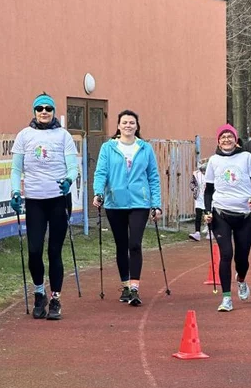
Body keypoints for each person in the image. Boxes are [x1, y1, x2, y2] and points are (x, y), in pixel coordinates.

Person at [10, 93, 79, 321]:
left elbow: (72, 167)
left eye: (48, 108)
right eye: (39, 108)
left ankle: (56, 298)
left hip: (58, 199)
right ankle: (40, 293)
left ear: (53, 111)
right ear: (34, 111)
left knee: (54, 251)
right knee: (34, 250)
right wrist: (15, 191)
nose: (44, 111)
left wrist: (69, 180)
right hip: (35, 200)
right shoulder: (24, 135)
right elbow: (16, 169)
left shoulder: (63, 136)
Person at [92, 110, 162, 306]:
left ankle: (134, 287)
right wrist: (98, 193)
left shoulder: (145, 148)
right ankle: (124, 285)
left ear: (137, 126)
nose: (128, 125)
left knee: (135, 244)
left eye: (132, 122)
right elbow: (101, 173)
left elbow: (153, 177)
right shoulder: (108, 148)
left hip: (140, 202)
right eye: (125, 122)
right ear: (119, 125)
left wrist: (156, 204)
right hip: (115, 202)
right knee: (121, 245)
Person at [204, 124, 251, 312]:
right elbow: (209, 190)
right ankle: (226, 297)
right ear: (218, 141)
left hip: (243, 214)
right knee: (226, 254)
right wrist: (207, 211)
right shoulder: (213, 161)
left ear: (236, 140)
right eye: (223, 137)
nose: (226, 140)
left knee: (242, 257)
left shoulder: (246, 157)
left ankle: (242, 279)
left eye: (230, 136)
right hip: (221, 213)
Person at [189, 159, 208, 241]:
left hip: (208, 198)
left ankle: (210, 232)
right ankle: (197, 233)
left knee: (208, 215)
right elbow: (191, 183)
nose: (203, 171)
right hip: (199, 198)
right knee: (198, 215)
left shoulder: (211, 174)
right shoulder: (196, 174)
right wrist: (194, 189)